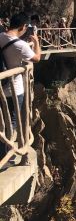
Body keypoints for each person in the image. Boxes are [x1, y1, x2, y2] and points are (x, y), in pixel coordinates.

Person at [0, 13, 41, 164]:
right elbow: (37, 58)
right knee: (11, 123)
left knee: (2, 121)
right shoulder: (20, 45)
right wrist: (36, 42)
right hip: (13, 90)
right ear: (23, 27)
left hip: (1, 87)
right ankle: (5, 157)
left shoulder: (1, 37)